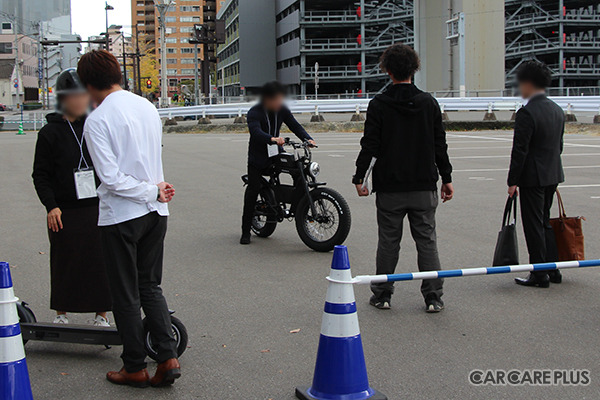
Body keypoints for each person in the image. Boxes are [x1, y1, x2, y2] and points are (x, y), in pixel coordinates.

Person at [77, 50, 180, 388]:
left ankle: (134, 366)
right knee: (150, 286)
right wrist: (155, 192)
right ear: (118, 74)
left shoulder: (97, 120)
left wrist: (149, 192)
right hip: (156, 212)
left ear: (88, 83)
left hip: (123, 215)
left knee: (125, 294)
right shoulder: (147, 107)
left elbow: (111, 179)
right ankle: (167, 357)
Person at [353, 44, 454, 313]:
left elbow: (370, 145)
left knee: (388, 242)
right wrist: (447, 177)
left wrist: (359, 176)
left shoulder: (379, 105)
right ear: (415, 68)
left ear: (387, 70)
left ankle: (383, 294)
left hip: (390, 187)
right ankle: (433, 297)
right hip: (423, 185)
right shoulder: (428, 103)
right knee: (427, 242)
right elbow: (439, 144)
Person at [32, 69, 112, 327]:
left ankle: (102, 314)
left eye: (83, 96)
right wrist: (51, 206)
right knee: (64, 259)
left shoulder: (94, 126)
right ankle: (61, 313)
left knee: (99, 259)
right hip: (64, 208)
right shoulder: (48, 133)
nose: (80, 102)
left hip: (95, 205)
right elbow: (40, 175)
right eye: (74, 97)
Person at [508, 61, 565, 288]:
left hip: (532, 177)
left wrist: (513, 181)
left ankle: (539, 274)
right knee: (545, 223)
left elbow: (519, 151)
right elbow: (559, 146)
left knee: (533, 226)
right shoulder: (557, 110)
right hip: (552, 173)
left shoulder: (527, 113)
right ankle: (553, 269)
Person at [240, 81, 316, 245]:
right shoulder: (255, 112)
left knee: (299, 169)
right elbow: (256, 132)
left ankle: (297, 207)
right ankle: (245, 230)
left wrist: (307, 138)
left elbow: (294, 125)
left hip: (276, 153)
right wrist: (272, 139)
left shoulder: (282, 110)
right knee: (253, 190)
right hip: (258, 158)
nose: (279, 102)